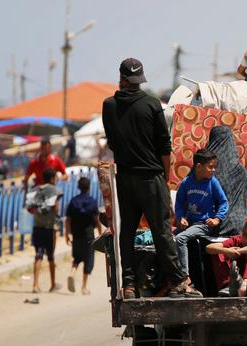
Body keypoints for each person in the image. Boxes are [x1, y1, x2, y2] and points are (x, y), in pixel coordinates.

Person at [102, 57, 198, 299]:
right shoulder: (152, 104)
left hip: (125, 178)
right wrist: (164, 178)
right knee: (162, 231)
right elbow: (164, 147)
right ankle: (177, 281)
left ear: (121, 78)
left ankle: (130, 285)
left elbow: (112, 143)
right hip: (151, 177)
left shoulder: (109, 105)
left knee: (127, 232)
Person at [173, 149, 229, 282]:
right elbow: (179, 203)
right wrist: (181, 217)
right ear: (199, 167)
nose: (213, 170)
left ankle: (184, 277)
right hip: (189, 222)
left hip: (203, 224)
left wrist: (217, 218)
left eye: (214, 167)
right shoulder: (186, 182)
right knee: (168, 240)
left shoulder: (213, 182)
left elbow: (223, 202)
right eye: (210, 167)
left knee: (180, 239)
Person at [207, 220, 247, 296]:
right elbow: (209, 248)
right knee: (217, 253)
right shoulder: (238, 239)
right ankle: (228, 285)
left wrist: (238, 251)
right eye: (245, 235)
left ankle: (246, 285)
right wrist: (227, 251)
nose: (246, 240)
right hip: (235, 277)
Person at [65, 177, 102, 295]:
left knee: (77, 258)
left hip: (76, 235)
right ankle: (84, 287)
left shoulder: (73, 201)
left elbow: (68, 220)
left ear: (78, 187)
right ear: (89, 187)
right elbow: (97, 220)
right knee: (88, 261)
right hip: (88, 236)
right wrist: (100, 234)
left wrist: (67, 234)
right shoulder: (92, 201)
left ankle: (72, 273)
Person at [30, 169, 63, 293]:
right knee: (50, 257)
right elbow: (56, 209)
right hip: (49, 228)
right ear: (52, 179)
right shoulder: (54, 190)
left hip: (37, 227)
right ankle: (53, 284)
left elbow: (31, 206)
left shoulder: (36, 190)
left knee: (38, 256)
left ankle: (35, 285)